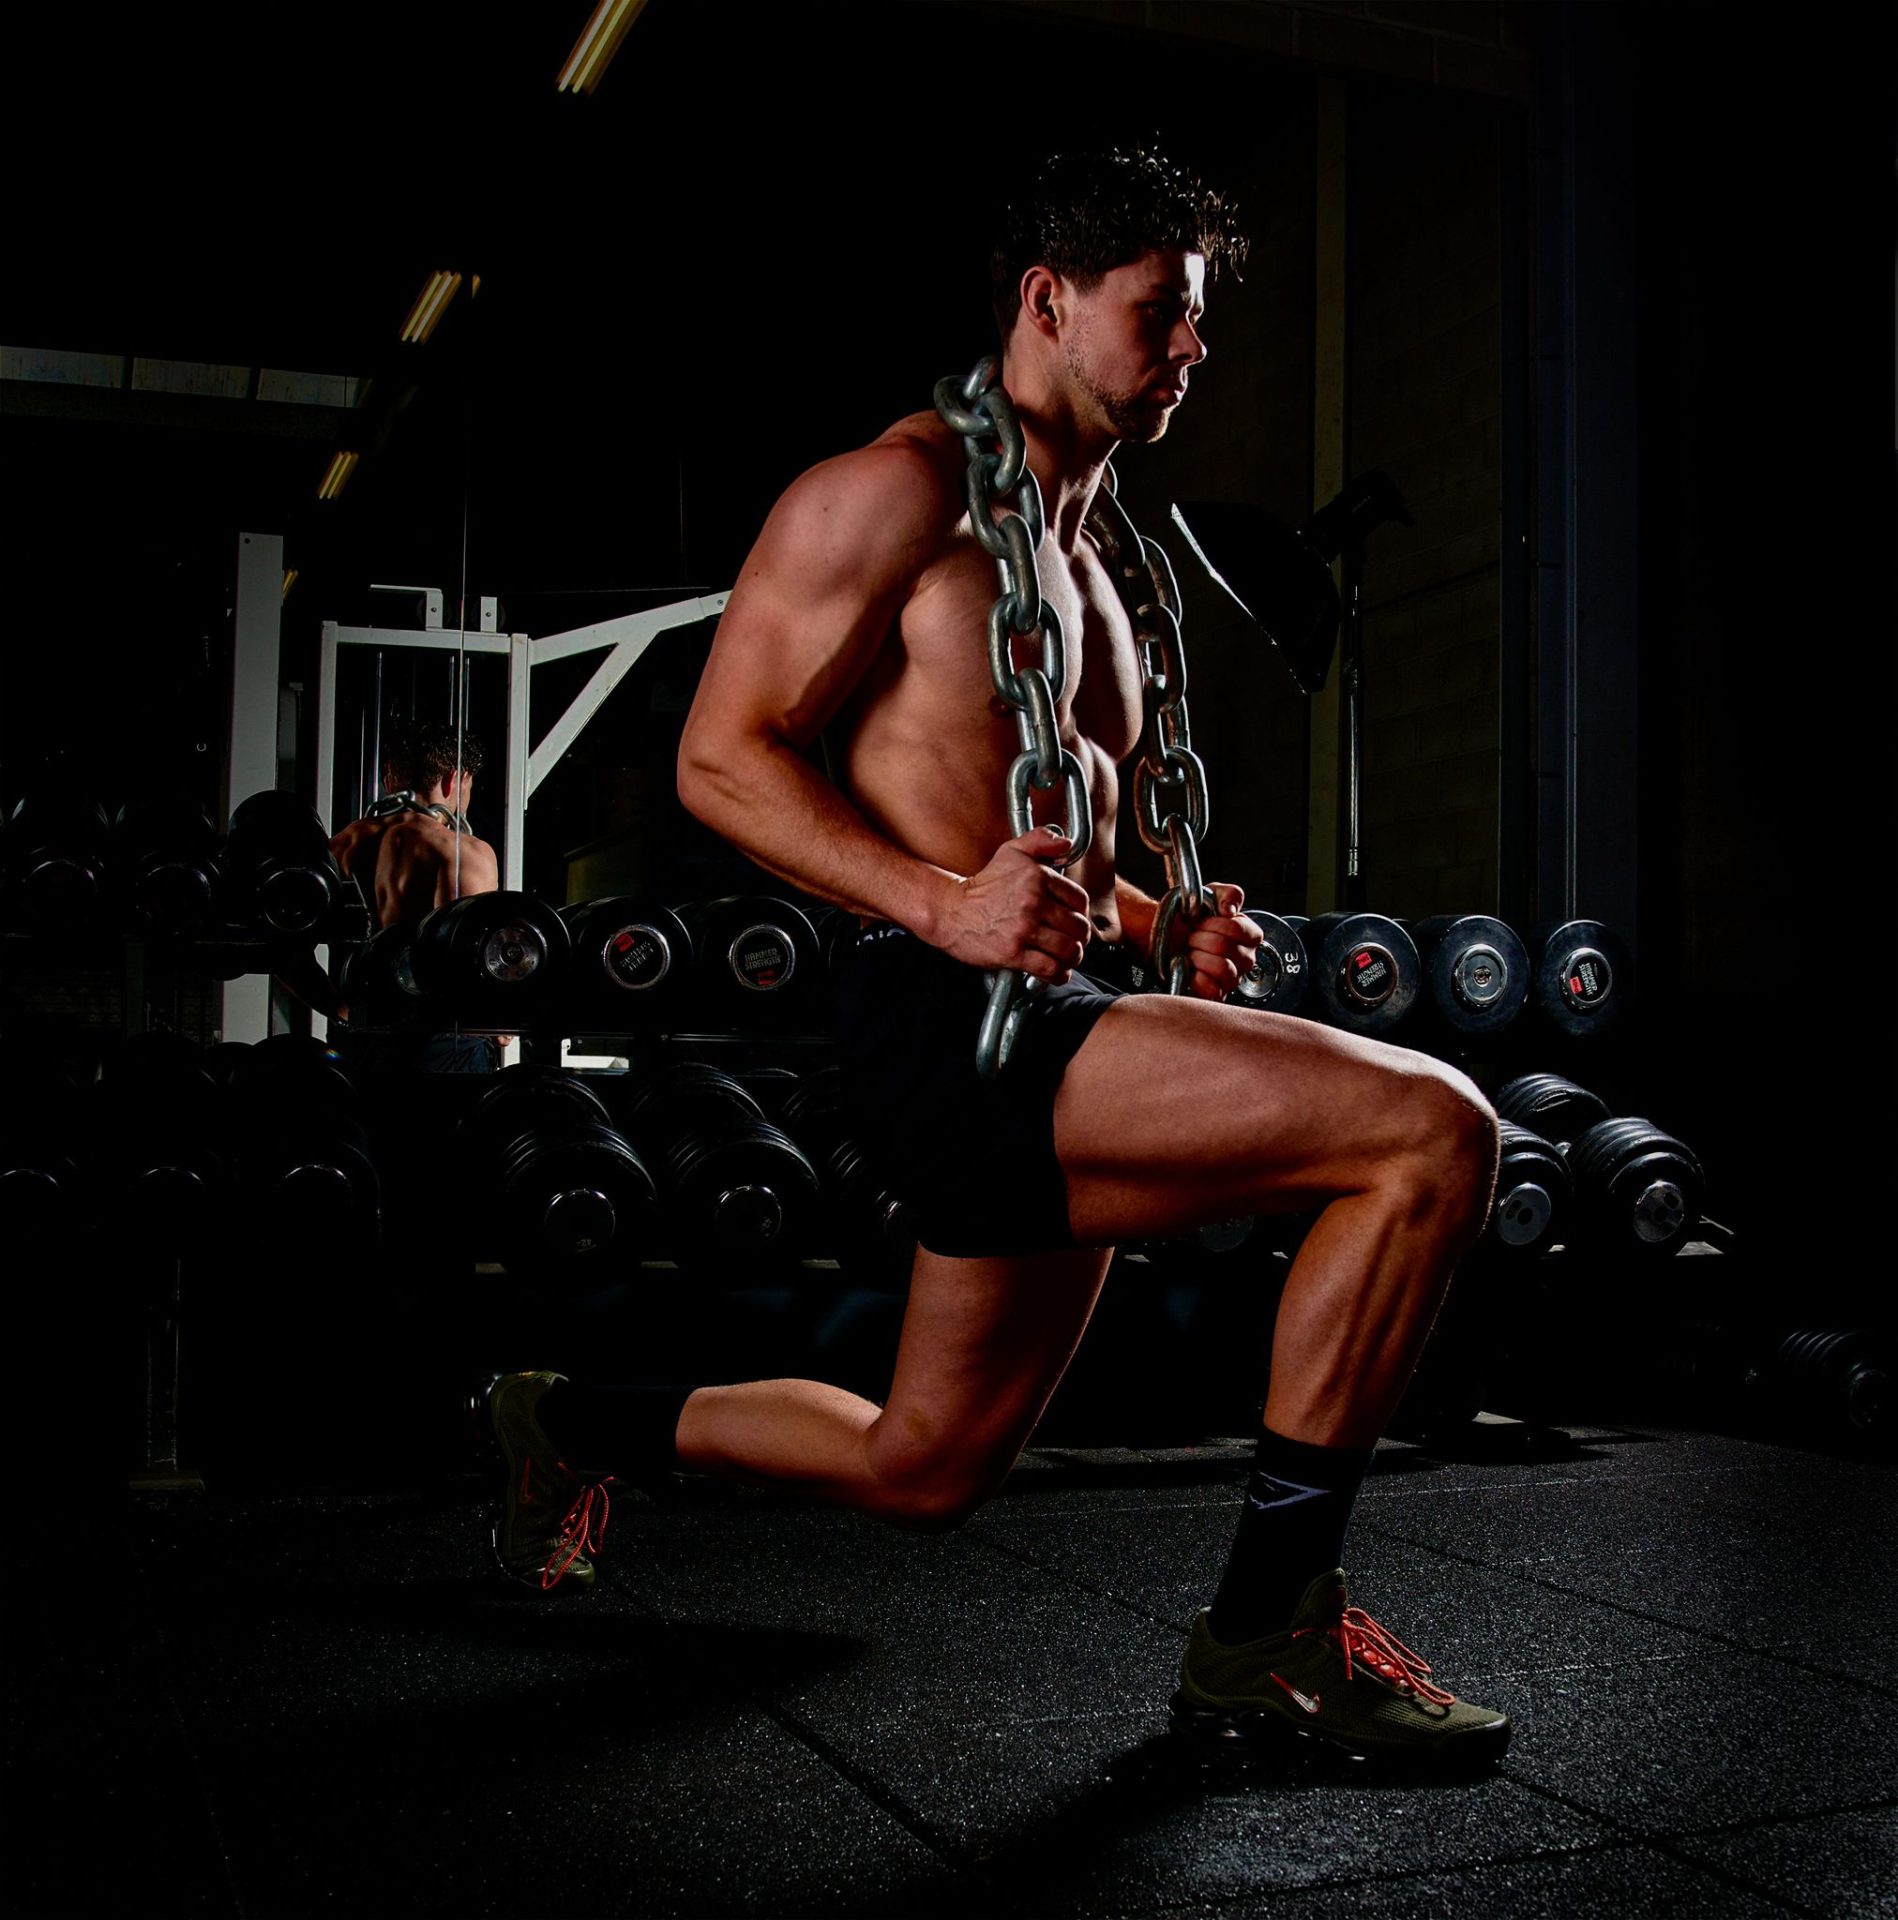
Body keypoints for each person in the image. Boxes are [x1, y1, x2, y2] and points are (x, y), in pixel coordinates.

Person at [480, 147, 1510, 1771]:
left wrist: (1159, 922)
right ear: (1047, 301)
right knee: (1430, 1130)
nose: (1193, 350)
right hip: (938, 1024)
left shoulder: (1104, 559)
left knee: (921, 1468)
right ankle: (1265, 1636)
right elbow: (721, 762)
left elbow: (1049, 857)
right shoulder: (889, 495)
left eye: (1198, 319)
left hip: (1051, 1013)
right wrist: (937, 904)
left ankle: (562, 1415)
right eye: (1160, 313)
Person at [282, 723, 507, 1073]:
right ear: (454, 780)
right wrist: (500, 1021)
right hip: (443, 1045)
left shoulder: (339, 848)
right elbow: (473, 959)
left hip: (361, 1040)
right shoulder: (464, 854)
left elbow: (284, 948)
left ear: (390, 781)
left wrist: (337, 1008)